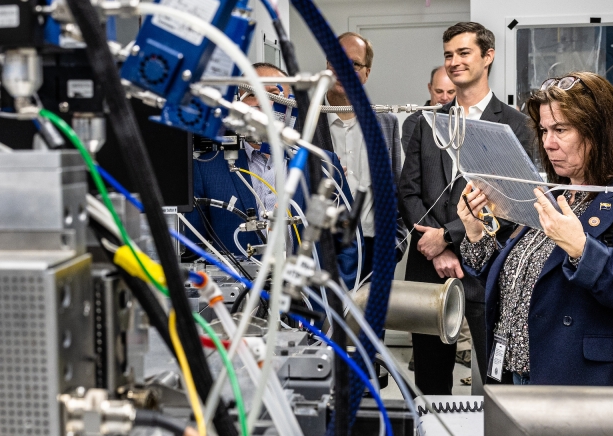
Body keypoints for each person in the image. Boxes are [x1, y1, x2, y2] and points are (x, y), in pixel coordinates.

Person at [457, 72, 613, 386]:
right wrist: (476, 233)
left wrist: (582, 249)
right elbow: (516, 277)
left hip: (572, 380)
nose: (548, 143)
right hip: (509, 371)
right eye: (545, 130)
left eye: (561, 129)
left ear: (599, 131)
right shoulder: (554, 195)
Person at [398, 21, 535, 395]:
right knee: (429, 377)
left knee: (492, 376)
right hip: (427, 264)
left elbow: (513, 202)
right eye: (448, 55)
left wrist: (449, 237)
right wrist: (435, 245)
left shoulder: (516, 126)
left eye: (463, 53)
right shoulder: (429, 121)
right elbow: (407, 191)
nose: (454, 62)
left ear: (488, 56)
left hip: (487, 266)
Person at [184, 63, 358, 286]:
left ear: (291, 105)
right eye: (251, 94)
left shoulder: (324, 164)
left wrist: (333, 299)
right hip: (237, 303)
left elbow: (349, 244)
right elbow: (191, 249)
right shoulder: (206, 167)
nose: (261, 103)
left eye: (274, 94)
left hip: (308, 302)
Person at [325, 32, 403, 282]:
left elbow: (396, 190)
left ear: (366, 73)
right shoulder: (304, 123)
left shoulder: (385, 123)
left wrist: (395, 243)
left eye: (354, 64)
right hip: (323, 251)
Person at [401, 65, 456, 155]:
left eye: (450, 92)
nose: (445, 97)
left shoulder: (463, 119)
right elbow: (415, 163)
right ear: (430, 88)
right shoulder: (414, 122)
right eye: (439, 91)